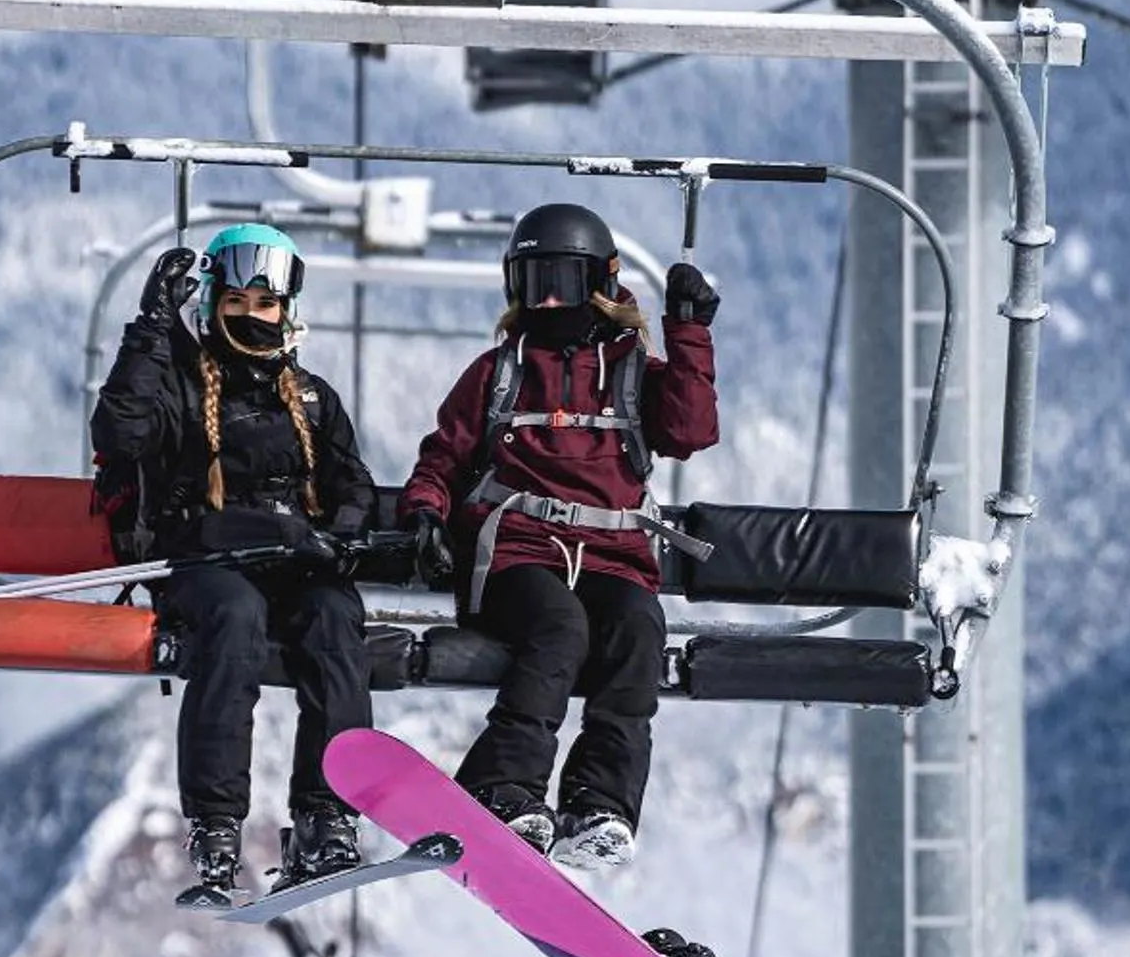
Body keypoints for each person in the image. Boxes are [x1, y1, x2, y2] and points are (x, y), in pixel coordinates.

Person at [398, 201, 721, 875]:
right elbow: (444, 458)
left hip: (614, 556)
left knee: (638, 630)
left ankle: (598, 804)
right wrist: (426, 511)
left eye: (563, 284)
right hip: (518, 552)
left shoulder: (632, 373)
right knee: (560, 628)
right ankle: (505, 786)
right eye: (533, 283)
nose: (547, 301)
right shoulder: (499, 372)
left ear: (600, 285)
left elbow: (689, 432)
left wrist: (687, 334)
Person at [90, 223, 379, 898]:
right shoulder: (181, 389)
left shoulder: (309, 398)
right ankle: (217, 823)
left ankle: (325, 812)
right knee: (235, 620)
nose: (253, 316)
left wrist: (344, 531)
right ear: (212, 303)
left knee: (337, 620)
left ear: (287, 311)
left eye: (266, 302)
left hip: (296, 565)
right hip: (207, 564)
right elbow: (121, 430)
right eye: (238, 301)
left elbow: (351, 483)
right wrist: (152, 330)